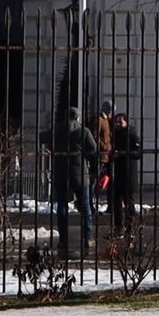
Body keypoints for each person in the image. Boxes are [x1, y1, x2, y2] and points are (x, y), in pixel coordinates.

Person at [49, 101, 95, 259]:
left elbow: (45, 139)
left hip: (61, 172)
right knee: (86, 206)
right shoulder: (83, 131)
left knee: (62, 207)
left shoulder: (57, 130)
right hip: (80, 173)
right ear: (78, 117)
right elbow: (93, 148)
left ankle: (63, 239)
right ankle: (88, 237)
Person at [95, 101, 134, 238]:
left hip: (125, 172)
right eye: (116, 121)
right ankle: (119, 227)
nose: (116, 123)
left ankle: (129, 227)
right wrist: (108, 149)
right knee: (115, 199)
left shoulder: (129, 134)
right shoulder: (107, 127)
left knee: (127, 201)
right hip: (110, 165)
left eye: (120, 121)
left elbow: (137, 153)